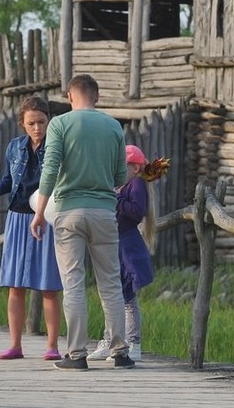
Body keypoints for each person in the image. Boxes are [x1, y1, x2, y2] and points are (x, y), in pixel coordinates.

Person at [31, 73, 133, 370]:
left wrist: (39, 213)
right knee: (111, 283)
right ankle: (120, 352)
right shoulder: (113, 126)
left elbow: (49, 170)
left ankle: (77, 354)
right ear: (97, 97)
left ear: (69, 96)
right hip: (104, 212)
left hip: (69, 212)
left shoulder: (60, 124)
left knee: (73, 283)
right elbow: (120, 177)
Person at [0, 96, 63, 361]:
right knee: (15, 285)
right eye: (31, 123)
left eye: (41, 122)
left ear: (49, 120)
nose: (37, 128)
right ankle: (15, 345)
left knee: (49, 285)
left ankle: (52, 346)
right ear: (22, 123)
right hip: (18, 218)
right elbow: (9, 180)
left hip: (47, 218)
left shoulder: (57, 146)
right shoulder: (14, 147)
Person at [87, 144, 162, 362]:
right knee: (112, 296)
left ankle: (133, 343)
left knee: (127, 298)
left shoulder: (136, 184)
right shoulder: (121, 185)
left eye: (123, 166)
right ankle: (110, 340)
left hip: (127, 246)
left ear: (136, 168)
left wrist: (116, 199)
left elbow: (136, 212)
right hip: (114, 245)